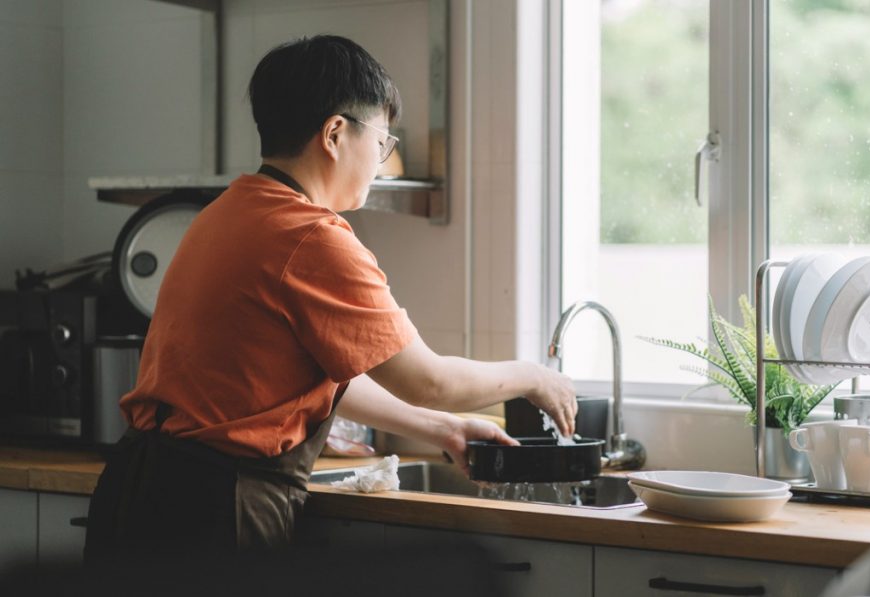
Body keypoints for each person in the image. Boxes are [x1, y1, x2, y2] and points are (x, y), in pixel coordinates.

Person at [83, 34, 577, 562]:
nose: (382, 161)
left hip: (136, 491)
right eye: (382, 143)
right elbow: (427, 379)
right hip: (213, 509)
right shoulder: (310, 237)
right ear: (336, 133)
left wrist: (444, 428)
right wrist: (534, 376)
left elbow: (321, 376)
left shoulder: (227, 213)